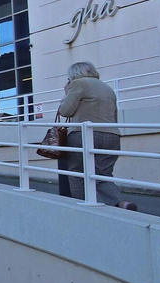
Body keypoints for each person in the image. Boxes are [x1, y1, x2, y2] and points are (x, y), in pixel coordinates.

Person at [56, 62, 133, 209]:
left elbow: (65, 111)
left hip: (83, 134)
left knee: (77, 172)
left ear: (73, 75)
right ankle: (121, 203)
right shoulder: (106, 88)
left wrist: (66, 94)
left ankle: (83, 206)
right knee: (102, 175)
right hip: (111, 135)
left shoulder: (77, 84)